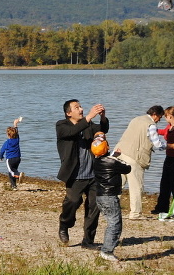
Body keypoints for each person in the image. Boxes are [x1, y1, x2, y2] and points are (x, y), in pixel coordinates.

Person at [55, 99, 109, 247]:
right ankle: (64, 224)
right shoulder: (62, 125)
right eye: (76, 107)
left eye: (81, 107)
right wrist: (90, 116)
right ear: (68, 113)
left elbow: (102, 129)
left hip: (93, 174)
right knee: (72, 202)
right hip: (75, 175)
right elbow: (72, 131)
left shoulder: (88, 125)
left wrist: (102, 117)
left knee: (94, 207)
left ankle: (88, 241)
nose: (81, 109)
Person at [113, 105, 166, 219]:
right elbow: (157, 143)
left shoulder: (136, 119)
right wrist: (168, 146)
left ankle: (111, 210)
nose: (159, 120)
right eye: (160, 117)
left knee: (117, 185)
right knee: (136, 186)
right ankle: (135, 213)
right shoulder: (150, 124)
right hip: (134, 158)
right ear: (155, 114)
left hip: (119, 154)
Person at [91, 132, 132, 263]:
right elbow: (127, 168)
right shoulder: (112, 162)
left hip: (100, 196)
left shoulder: (95, 161)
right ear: (106, 148)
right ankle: (107, 251)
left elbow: (106, 160)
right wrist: (116, 157)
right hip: (110, 196)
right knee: (115, 224)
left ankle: (106, 248)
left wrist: (113, 155)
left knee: (111, 222)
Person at [151, 106, 174, 218]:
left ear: (170, 116)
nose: (164, 118)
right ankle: (162, 208)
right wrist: (151, 130)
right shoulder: (169, 127)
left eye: (165, 116)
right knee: (164, 183)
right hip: (169, 158)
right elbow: (162, 132)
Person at [0, 117, 22, 190]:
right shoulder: (17, 140)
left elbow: (2, 150)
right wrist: (15, 124)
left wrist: (1, 157)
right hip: (18, 158)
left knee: (11, 172)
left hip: (10, 159)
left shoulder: (7, 142)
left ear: (8, 135)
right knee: (13, 170)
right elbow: (17, 132)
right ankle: (13, 186)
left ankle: (19, 175)